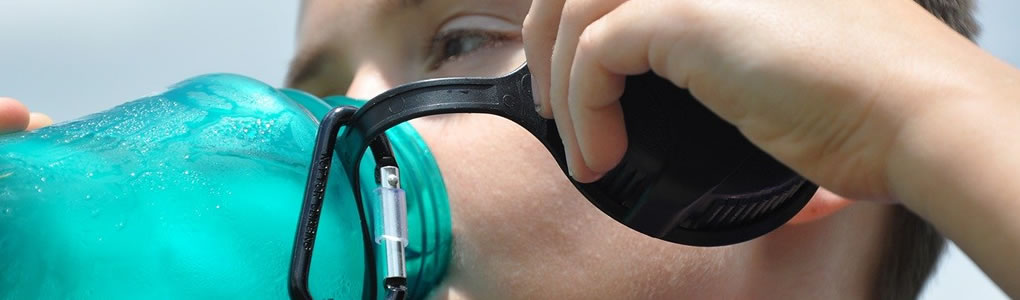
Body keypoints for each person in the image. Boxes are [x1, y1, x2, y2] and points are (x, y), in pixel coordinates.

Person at [3, 0, 1015, 299]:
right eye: (309, 88)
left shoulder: (905, 119)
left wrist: (922, 111)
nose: (341, 124)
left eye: (457, 41)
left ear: (763, 130)